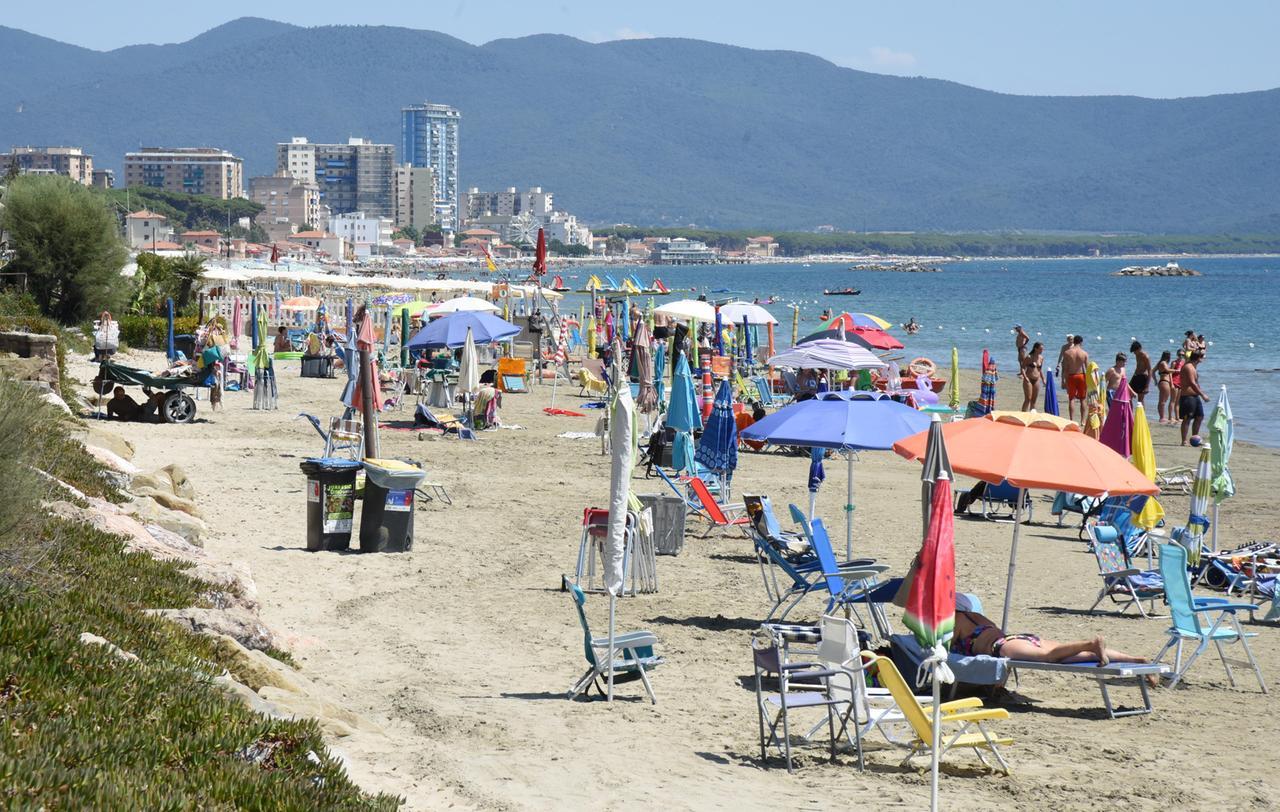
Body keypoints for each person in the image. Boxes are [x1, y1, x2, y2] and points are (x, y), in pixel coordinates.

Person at [952, 600, 1152, 668]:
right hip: (1019, 638)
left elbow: (944, 649)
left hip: (1002, 647)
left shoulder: (955, 621)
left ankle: (1090, 644)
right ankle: (1136, 660)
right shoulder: (976, 616)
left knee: (1050, 657)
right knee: (1064, 655)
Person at [1178, 350, 1210, 445]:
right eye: (1201, 357)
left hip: (1195, 396)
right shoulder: (1188, 367)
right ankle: (1184, 440)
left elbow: (1195, 382)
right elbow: (1192, 383)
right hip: (1187, 397)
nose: (1202, 360)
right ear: (1198, 358)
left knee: (1200, 416)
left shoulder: (1193, 366)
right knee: (1187, 418)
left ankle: (1195, 438)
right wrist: (1203, 395)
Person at [1061, 335, 1089, 423]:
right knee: (1082, 399)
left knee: (1071, 399)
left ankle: (1072, 420)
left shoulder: (1067, 353)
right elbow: (1088, 369)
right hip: (1081, 376)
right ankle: (1083, 421)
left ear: (1074, 342)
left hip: (1071, 376)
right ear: (1081, 342)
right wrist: (1089, 382)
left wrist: (1063, 380)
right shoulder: (1084, 353)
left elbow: (1065, 368)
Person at [1020, 342, 1044, 411]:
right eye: (1040, 349)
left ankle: (1031, 416)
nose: (1042, 351)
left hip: (1037, 379)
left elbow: (1040, 370)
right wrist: (1025, 377)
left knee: (1034, 400)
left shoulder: (1041, 358)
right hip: (1029, 379)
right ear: (1035, 349)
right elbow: (1023, 367)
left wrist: (1043, 379)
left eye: (1042, 349)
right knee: (1028, 398)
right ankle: (1023, 415)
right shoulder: (1029, 357)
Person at [1129, 341, 1151, 408]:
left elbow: (1150, 370)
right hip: (1136, 376)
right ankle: (1130, 414)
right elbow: (1137, 367)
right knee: (1128, 394)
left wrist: (1147, 386)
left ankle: (1141, 417)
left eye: (1135, 351)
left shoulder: (1145, 357)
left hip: (1143, 378)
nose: (1134, 353)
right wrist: (1132, 379)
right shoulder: (1137, 355)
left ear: (1139, 349)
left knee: (1140, 400)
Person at [1155, 350, 1175, 424]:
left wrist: (1155, 381)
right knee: (1163, 401)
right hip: (1164, 382)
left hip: (1163, 382)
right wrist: (1177, 370)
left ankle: (1162, 417)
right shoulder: (1163, 363)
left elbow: (1152, 371)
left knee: (1163, 400)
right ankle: (1162, 417)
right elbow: (1167, 370)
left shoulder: (1161, 362)